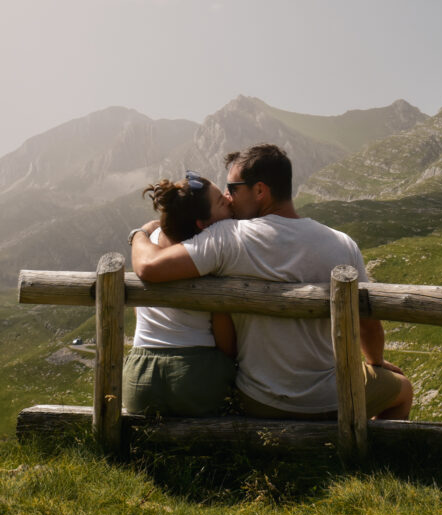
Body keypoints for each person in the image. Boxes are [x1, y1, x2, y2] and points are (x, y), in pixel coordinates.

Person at [129, 144, 412, 420]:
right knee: (404, 389)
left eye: (233, 188)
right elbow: (368, 325)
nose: (228, 197)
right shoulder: (342, 244)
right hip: (331, 397)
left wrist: (140, 233)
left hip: (257, 398)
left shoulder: (228, 237)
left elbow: (150, 267)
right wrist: (375, 363)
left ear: (260, 190)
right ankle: (364, 460)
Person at [122, 171, 237, 417]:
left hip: (139, 373)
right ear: (202, 224)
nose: (228, 201)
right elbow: (225, 342)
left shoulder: (149, 240)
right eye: (220, 202)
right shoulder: (208, 255)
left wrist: (139, 232)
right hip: (195, 372)